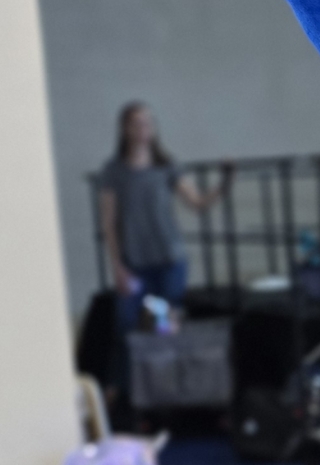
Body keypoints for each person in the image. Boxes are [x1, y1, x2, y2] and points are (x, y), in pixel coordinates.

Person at [95, 102, 228, 324]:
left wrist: (224, 183)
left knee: (165, 319)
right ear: (125, 128)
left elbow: (196, 202)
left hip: (169, 258)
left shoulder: (165, 165)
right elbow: (109, 222)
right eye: (137, 124)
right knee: (128, 320)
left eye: (148, 123)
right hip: (134, 264)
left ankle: (166, 357)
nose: (143, 129)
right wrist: (117, 266)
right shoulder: (114, 171)